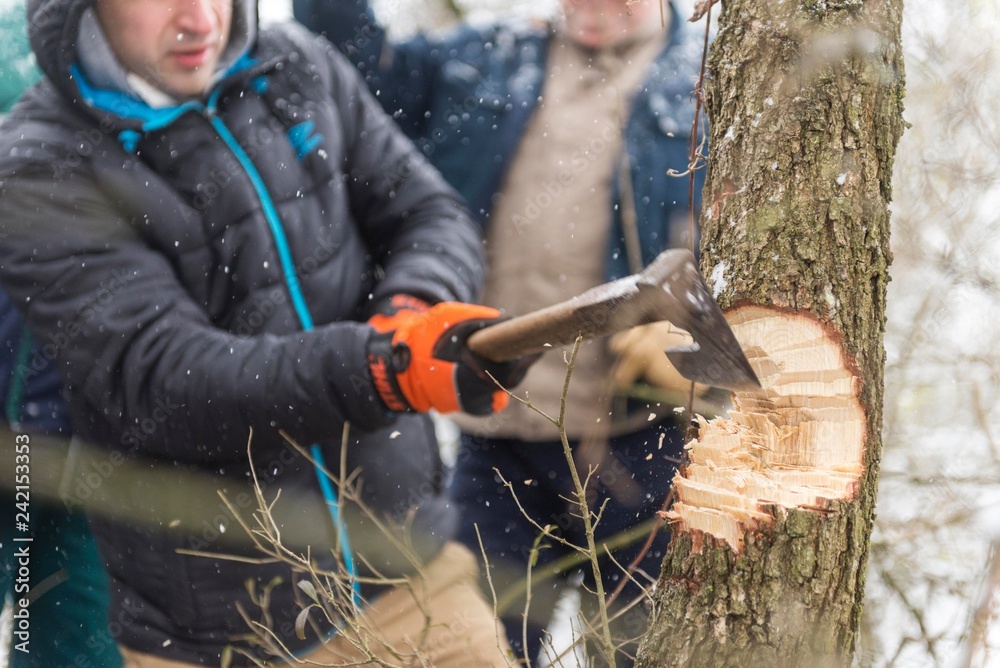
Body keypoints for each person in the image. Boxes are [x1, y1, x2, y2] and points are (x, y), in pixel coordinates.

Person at [0, 0, 537, 666]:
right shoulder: (37, 166)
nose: (200, 20)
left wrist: (413, 308)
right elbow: (164, 379)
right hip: (227, 635)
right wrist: (380, 368)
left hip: (412, 576)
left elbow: (428, 212)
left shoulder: (296, 64)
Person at [294, 0, 708, 664]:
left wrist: (695, 333)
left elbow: (759, 248)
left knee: (638, 651)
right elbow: (353, 73)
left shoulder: (706, 86)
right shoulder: (484, 59)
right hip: (495, 438)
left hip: (640, 448)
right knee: (473, 645)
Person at [1, 1, 123, 666]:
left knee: (79, 647)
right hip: (11, 437)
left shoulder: (140, 61)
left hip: (95, 453)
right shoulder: (11, 55)